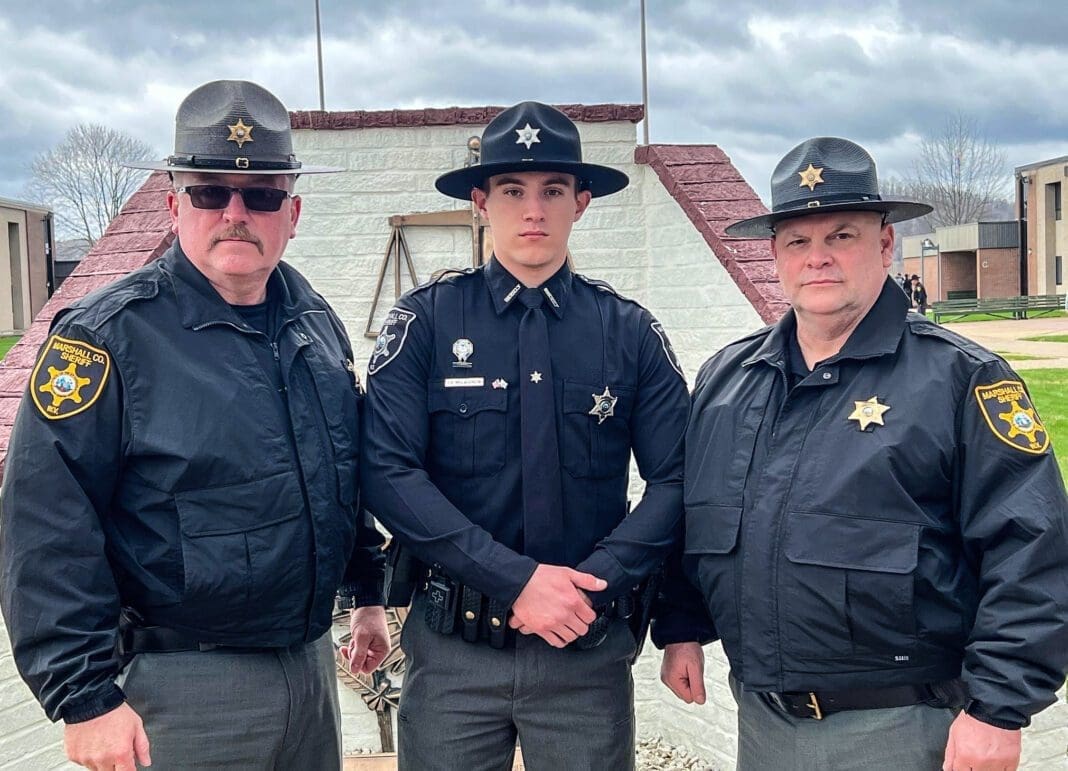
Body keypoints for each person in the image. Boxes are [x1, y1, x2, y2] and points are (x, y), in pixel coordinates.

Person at [0, 80, 390, 770]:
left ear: (292, 212)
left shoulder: (317, 325)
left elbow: (341, 473)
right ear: (176, 202)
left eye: (262, 195)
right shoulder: (106, 339)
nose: (236, 212)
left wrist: (366, 595)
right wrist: (83, 694)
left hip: (307, 671)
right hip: (182, 687)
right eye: (212, 192)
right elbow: (47, 523)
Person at [654, 137, 1068, 771]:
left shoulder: (960, 380)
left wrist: (998, 709)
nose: (817, 258)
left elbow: (1032, 549)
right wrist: (681, 626)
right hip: (763, 722)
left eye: (841, 235)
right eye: (797, 241)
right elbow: (695, 515)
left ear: (883, 245)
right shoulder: (727, 379)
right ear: (774, 255)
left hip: (903, 726)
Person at [361, 101, 689, 771]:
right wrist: (516, 581)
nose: (532, 210)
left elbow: (680, 478)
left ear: (583, 202)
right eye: (512, 191)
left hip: (585, 651)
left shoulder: (627, 332)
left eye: (553, 191)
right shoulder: (422, 323)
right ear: (481, 201)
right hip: (455, 653)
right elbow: (388, 474)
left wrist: (593, 582)